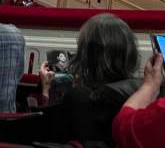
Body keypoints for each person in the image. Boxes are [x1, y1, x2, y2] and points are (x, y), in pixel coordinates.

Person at [39, 13, 141, 146]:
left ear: (86, 55)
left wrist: (46, 92)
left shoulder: (79, 98)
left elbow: (49, 141)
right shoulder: (141, 94)